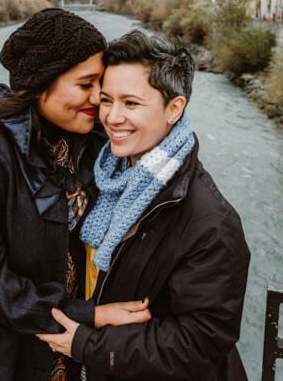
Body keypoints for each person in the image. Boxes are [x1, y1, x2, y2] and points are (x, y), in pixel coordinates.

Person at [0, 9, 151, 381]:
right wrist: (88, 315)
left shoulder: (92, 145)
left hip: (57, 348)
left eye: (100, 84)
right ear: (42, 84)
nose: (98, 98)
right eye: (85, 84)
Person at [37, 30, 251, 380]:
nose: (113, 117)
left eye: (131, 103)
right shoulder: (104, 175)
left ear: (174, 108)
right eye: (107, 100)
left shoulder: (210, 220)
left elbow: (198, 342)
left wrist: (87, 344)